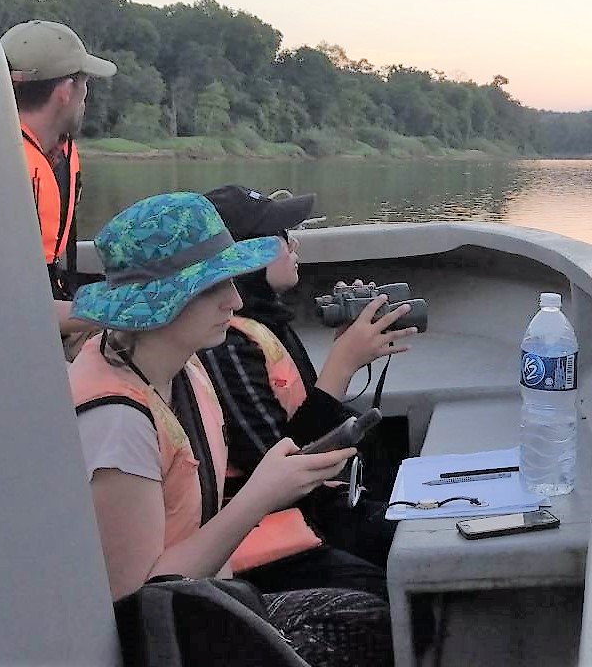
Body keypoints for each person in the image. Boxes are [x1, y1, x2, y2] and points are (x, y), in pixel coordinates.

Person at [68, 191, 398, 666]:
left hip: (202, 599)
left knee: (366, 617)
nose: (236, 299)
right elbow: (135, 605)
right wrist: (260, 496)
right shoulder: (118, 422)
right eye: (211, 287)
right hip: (164, 636)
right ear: (160, 302)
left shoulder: (185, 366)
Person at [198, 185, 413, 571]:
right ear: (246, 257)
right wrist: (342, 365)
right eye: (280, 237)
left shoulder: (265, 321)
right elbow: (278, 467)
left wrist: (346, 347)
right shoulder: (225, 344)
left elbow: (303, 421)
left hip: (317, 498)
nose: (293, 243)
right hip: (277, 523)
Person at [3, 19, 116, 340]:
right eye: (85, 84)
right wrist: (125, 311)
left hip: (45, 301)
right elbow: (9, 305)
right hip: (13, 330)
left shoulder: (52, 152)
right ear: (66, 91)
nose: (86, 96)